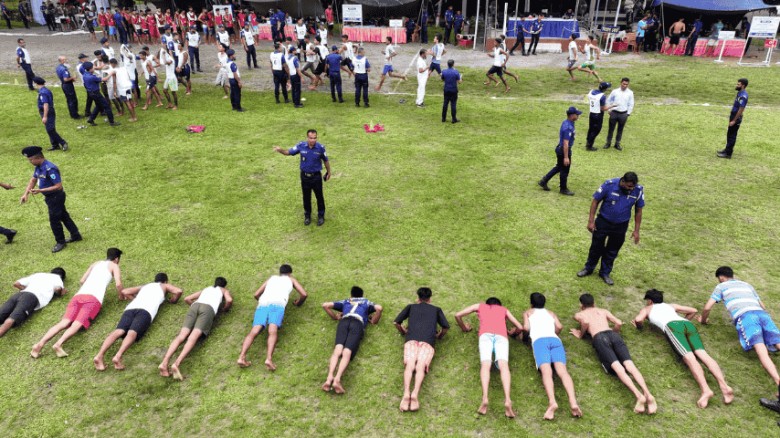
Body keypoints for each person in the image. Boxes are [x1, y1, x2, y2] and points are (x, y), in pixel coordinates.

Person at [632, 289, 733, 408]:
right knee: (703, 354)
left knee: (690, 358)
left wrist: (638, 326)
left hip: (672, 327)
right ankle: (724, 386)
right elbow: (693, 311)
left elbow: (638, 319)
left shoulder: (647, 309)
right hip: (687, 325)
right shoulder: (670, 306)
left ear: (650, 301)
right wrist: (684, 322)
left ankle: (706, 390)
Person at [699, 266, 780, 402]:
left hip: (746, 317)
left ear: (721, 277)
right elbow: (763, 306)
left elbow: (707, 307)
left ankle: (778, 382)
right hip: (762, 314)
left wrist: (703, 320)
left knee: (761, 351)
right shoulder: (747, 285)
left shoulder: (722, 286)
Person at [570, 293, 657, 414]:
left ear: (581, 305)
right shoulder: (603, 311)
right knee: (630, 365)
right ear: (594, 303)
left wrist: (581, 334)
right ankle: (648, 394)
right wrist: (614, 332)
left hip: (599, 338)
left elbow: (585, 323)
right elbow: (619, 323)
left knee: (617, 367)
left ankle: (639, 396)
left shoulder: (579, 314)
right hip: (613, 335)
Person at [31, 248, 123, 358]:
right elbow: (118, 284)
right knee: (77, 324)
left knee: (63, 323)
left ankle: (39, 345)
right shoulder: (114, 266)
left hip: (78, 296)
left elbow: (82, 281)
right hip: (93, 299)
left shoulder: (96, 263)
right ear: (116, 259)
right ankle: (58, 344)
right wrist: (121, 295)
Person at [93, 273, 182, 371]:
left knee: (119, 331)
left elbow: (125, 291)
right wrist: (174, 300)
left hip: (130, 308)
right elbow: (178, 291)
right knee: (132, 332)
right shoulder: (164, 285)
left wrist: (135, 299)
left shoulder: (145, 286)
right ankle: (118, 356)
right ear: (165, 281)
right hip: (146, 311)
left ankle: (99, 356)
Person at [455, 297, 523, 417]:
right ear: (499, 305)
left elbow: (457, 315)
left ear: (487, 304)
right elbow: (520, 327)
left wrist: (464, 328)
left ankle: (485, 398)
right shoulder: (504, 310)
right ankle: (507, 400)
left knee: (486, 365)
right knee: (504, 366)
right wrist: (513, 333)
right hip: (501, 336)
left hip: (485, 335)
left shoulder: (479, 306)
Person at [576, 172, 643, 285]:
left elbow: (639, 211)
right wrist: (591, 221)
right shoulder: (609, 184)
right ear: (622, 181)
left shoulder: (638, 190)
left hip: (621, 225)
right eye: (629, 186)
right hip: (603, 222)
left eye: (633, 187)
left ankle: (605, 272)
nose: (631, 189)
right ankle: (588, 268)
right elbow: (595, 201)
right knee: (596, 247)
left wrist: (636, 230)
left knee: (613, 250)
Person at [159, 277, 232, 380]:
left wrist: (195, 308)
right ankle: (176, 363)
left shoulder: (206, 289)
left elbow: (187, 298)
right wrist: (225, 308)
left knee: (181, 335)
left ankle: (164, 362)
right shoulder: (224, 290)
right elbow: (229, 300)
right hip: (208, 309)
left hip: (195, 306)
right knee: (193, 337)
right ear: (224, 285)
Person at [236, 265, 307, 370]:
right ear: (290, 273)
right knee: (272, 331)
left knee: (254, 331)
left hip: (263, 303)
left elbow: (256, 294)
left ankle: (241, 357)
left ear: (280, 272)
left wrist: (263, 301)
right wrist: (298, 303)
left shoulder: (272, 278)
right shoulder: (291, 279)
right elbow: (304, 294)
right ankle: (268, 359)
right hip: (278, 304)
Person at [524, 292, 581, 420]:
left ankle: (552, 402)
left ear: (531, 303)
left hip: (540, 342)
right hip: (555, 340)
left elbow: (526, 328)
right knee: (563, 372)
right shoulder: (551, 313)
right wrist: (554, 333)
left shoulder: (528, 313)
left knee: (546, 372)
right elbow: (559, 326)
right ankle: (573, 402)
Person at [394, 287, 450, 412]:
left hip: (411, 340)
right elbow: (445, 327)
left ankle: (406, 393)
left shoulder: (411, 307)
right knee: (420, 367)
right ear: (430, 298)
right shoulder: (436, 309)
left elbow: (396, 322)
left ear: (418, 297)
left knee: (410, 365)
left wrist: (403, 331)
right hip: (428, 342)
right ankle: (415, 394)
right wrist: (439, 336)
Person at [20, 146, 82, 252]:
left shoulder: (50, 168)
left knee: (54, 221)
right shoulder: (39, 167)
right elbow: (33, 180)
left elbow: (58, 186)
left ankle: (60, 242)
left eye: (31, 160)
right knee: (64, 216)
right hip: (51, 197)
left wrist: (41, 191)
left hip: (56, 197)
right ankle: (76, 235)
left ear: (38, 157)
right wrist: (25, 194)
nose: (30, 162)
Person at [321, 286, 382, 394]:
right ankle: (337, 379)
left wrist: (335, 317)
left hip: (344, 322)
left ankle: (329, 377)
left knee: (338, 349)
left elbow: (325, 305)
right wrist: (374, 319)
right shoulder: (366, 302)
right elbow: (379, 308)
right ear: (362, 295)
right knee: (347, 351)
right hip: (357, 323)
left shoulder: (346, 301)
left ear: (351, 295)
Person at [273, 129, 332, 225]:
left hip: (316, 177)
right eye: (311, 138)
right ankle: (307, 216)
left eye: (314, 138)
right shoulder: (301, 146)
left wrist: (329, 172)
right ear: (307, 138)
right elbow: (288, 152)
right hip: (305, 177)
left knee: (319, 197)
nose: (313, 140)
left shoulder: (320, 148)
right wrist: (280, 150)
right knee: (306, 197)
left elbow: (326, 160)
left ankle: (321, 216)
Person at [0, 267, 66, 337]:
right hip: (32, 297)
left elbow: (16, 283)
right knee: (12, 319)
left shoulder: (39, 274)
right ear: (62, 277)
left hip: (19, 294)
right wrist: (62, 292)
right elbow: (57, 289)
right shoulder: (57, 278)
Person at [538, 106, 581, 196]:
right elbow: (566, 143)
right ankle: (563, 188)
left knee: (559, 167)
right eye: (577, 114)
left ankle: (544, 181)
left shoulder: (567, 122)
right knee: (565, 170)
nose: (578, 116)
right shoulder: (568, 127)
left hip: (560, 148)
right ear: (572, 115)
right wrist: (566, 157)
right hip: (564, 150)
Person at [33, 78, 69, 153]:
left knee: (50, 129)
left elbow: (46, 104)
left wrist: (45, 116)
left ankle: (63, 143)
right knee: (49, 129)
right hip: (48, 111)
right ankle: (55, 145)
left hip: (47, 112)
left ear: (36, 83)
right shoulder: (45, 90)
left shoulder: (43, 92)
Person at [718, 78, 748, 159]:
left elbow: (741, 109)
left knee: (732, 135)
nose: (737, 85)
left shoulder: (743, 96)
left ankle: (728, 154)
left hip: (736, 118)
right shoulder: (740, 93)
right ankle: (726, 150)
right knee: (729, 134)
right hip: (733, 116)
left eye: (738, 84)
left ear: (743, 85)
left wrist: (734, 120)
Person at [82, 61, 118, 126]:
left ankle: (91, 119)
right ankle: (112, 122)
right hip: (96, 93)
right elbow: (104, 79)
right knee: (107, 106)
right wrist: (111, 73)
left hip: (91, 93)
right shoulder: (91, 77)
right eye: (93, 68)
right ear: (90, 69)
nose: (94, 69)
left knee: (98, 106)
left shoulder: (85, 74)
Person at [604, 77, 634, 150]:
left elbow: (631, 103)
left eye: (626, 84)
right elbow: (608, 100)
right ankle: (608, 142)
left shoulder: (630, 93)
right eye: (624, 84)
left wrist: (628, 113)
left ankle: (617, 143)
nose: (625, 86)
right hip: (614, 112)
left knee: (620, 129)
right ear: (621, 83)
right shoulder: (615, 91)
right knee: (611, 129)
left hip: (623, 113)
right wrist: (609, 109)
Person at [585, 82, 614, 151]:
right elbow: (603, 108)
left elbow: (587, 99)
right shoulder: (602, 96)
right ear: (605, 89)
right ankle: (589, 145)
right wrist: (612, 106)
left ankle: (588, 141)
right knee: (597, 130)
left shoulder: (591, 92)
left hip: (591, 112)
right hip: (598, 114)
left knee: (591, 128)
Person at [441, 59, 461, 124]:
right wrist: (460, 78)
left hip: (446, 89)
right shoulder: (456, 72)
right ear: (453, 64)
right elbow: (459, 82)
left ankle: (443, 118)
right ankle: (453, 119)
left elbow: (442, 79)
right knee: (453, 104)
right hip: (453, 90)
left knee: (445, 104)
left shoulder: (444, 71)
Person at [159, 45, 179, 110]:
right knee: (165, 90)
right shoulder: (169, 58)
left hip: (172, 78)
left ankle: (176, 105)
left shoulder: (170, 59)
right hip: (168, 78)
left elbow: (165, 63)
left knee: (173, 92)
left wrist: (163, 55)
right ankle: (170, 103)